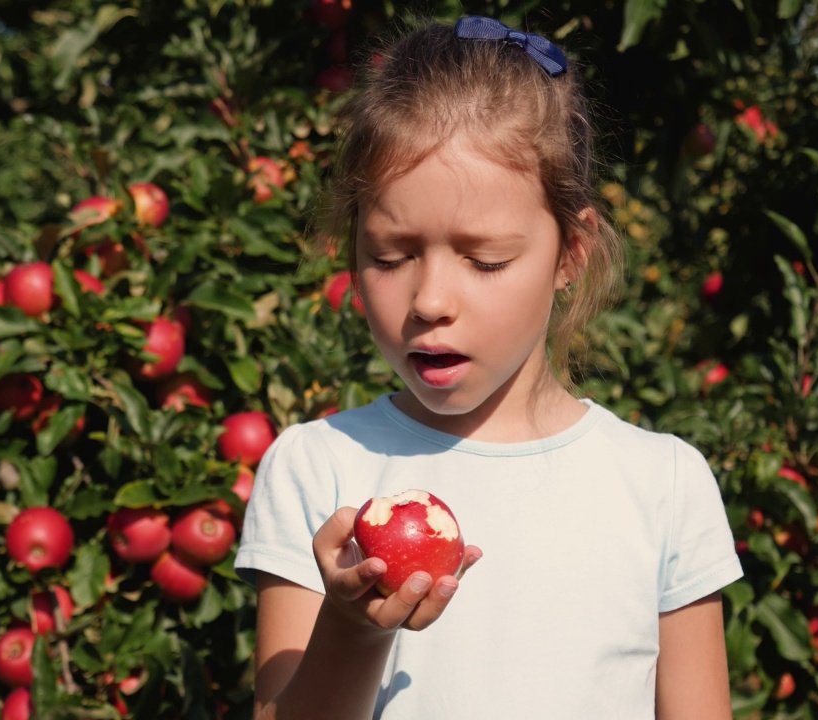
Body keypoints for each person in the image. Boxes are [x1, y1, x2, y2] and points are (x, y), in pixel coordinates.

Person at [233, 15, 743, 720]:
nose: (431, 300)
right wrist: (352, 630)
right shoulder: (318, 471)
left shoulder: (663, 486)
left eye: (485, 260)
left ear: (571, 253)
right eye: (389, 255)